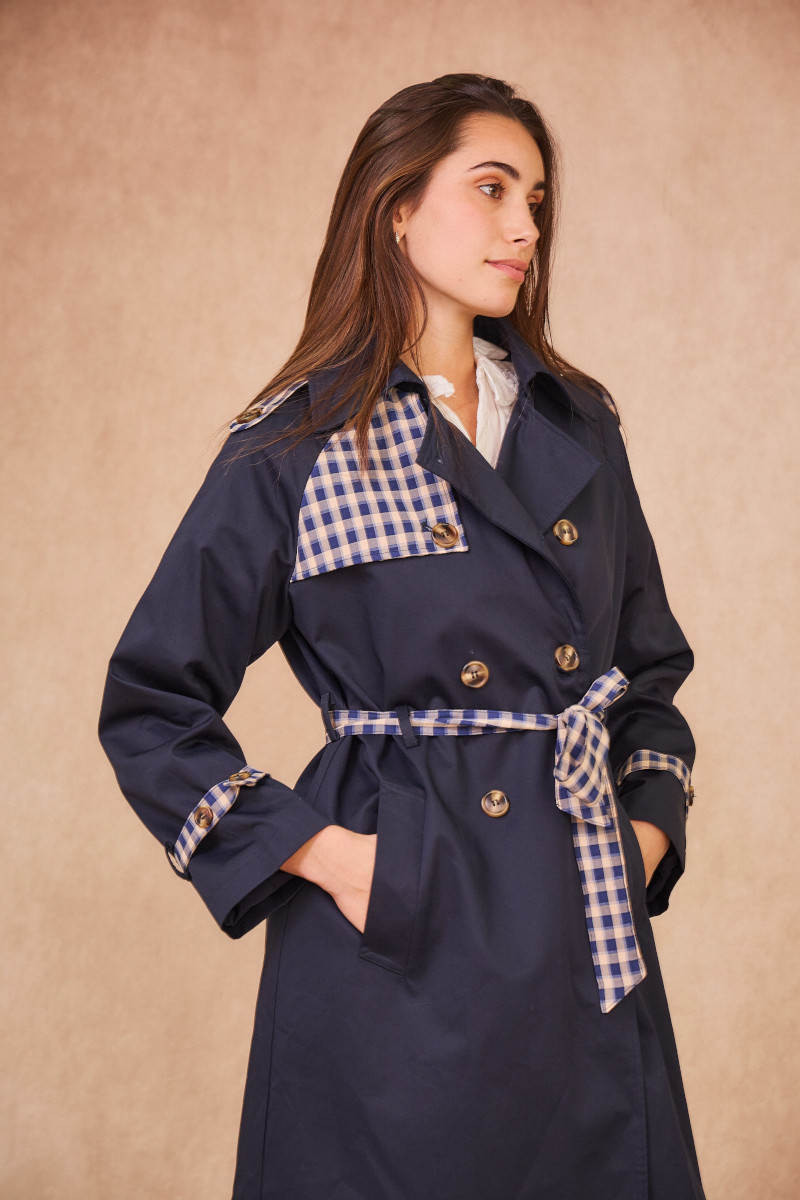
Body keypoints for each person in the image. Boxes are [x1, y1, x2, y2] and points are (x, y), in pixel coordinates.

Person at [98, 73, 706, 1200]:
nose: (525, 228)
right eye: (491, 189)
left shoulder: (578, 424)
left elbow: (647, 669)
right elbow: (151, 703)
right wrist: (335, 860)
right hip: (397, 937)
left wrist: (642, 839)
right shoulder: (299, 443)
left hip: (577, 916)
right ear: (395, 208)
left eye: (536, 200)